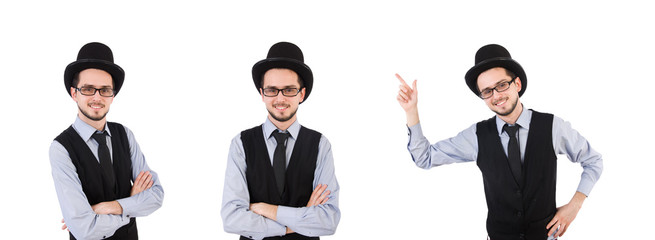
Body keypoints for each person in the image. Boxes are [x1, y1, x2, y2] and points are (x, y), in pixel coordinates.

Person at [396, 44, 603, 240]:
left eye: (502, 85)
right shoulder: (476, 136)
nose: (496, 96)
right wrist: (411, 111)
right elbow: (425, 158)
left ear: (517, 84)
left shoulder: (553, 127)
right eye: (487, 91)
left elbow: (593, 160)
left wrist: (575, 205)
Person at [221, 42, 340, 240]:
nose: (280, 98)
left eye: (289, 90)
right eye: (272, 90)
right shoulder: (241, 143)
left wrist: (266, 209)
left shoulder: (320, 145)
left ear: (301, 94)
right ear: (262, 93)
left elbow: (328, 220)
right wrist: (294, 224)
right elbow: (232, 219)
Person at [50, 42, 164, 240]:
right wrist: (130, 205)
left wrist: (109, 207)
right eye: (88, 89)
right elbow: (84, 229)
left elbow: (156, 195)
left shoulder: (125, 135)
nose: (97, 97)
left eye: (104, 90)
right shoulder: (61, 149)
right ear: (74, 93)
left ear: (112, 96)